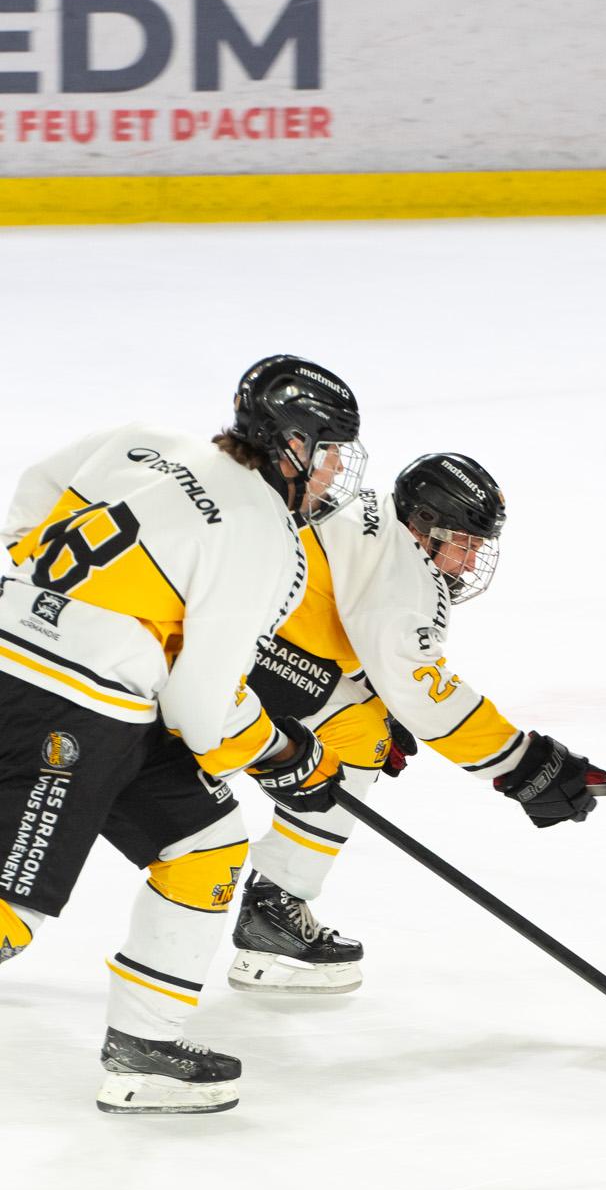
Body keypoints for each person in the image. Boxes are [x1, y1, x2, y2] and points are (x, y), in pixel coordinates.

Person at [0, 355, 367, 1114]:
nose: (334, 468)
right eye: (327, 447)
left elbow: (35, 485)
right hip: (72, 705)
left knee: (204, 837)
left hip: (86, 685)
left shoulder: (143, 438)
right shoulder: (262, 531)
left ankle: (144, 1047)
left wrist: (35, 595)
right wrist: (287, 755)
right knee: (11, 905)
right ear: (290, 443)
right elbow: (204, 709)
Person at [226, 452, 606, 995]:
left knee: (363, 725)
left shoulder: (370, 518)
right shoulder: (404, 572)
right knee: (358, 734)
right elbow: (422, 690)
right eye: (465, 543)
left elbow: (335, 625)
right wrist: (523, 764)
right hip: (242, 652)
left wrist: (378, 694)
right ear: (424, 526)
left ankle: (272, 902)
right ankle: (273, 908)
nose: (471, 563)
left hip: (242, 634)